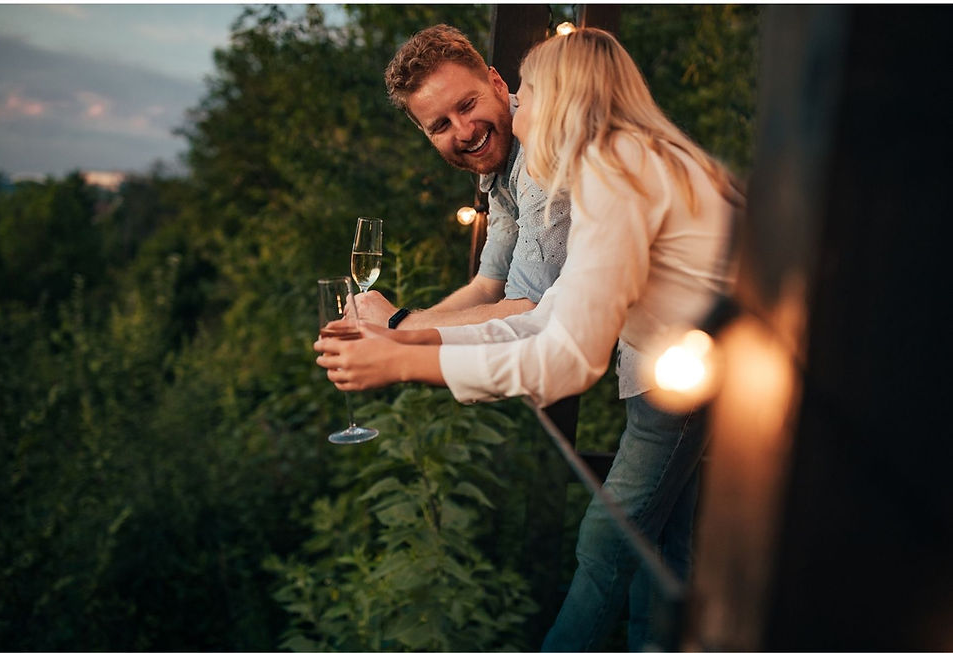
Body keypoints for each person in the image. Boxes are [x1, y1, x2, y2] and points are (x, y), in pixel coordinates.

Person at [316, 27, 744, 651]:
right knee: (667, 547)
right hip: (689, 374)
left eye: (529, 91)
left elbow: (566, 356)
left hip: (700, 383)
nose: (519, 107)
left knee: (607, 538)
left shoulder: (611, 171)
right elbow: (542, 317)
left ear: (563, 98)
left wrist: (403, 357)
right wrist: (409, 342)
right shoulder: (612, 164)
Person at [355, 24, 572, 330]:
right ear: (427, 135)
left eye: (468, 105)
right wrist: (397, 330)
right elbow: (486, 288)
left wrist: (399, 325)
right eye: (441, 125)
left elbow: (528, 312)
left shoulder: (540, 150)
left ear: (496, 82)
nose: (465, 131)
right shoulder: (502, 163)